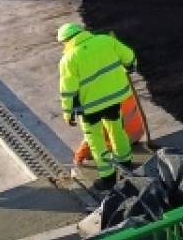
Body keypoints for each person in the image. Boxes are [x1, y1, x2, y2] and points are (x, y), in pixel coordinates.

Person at [57, 22, 137, 190]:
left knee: (96, 140)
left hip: (90, 108)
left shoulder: (68, 59)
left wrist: (68, 113)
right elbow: (129, 57)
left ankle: (108, 178)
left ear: (65, 41)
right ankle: (126, 163)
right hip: (114, 99)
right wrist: (130, 66)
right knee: (116, 129)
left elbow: (67, 90)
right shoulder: (105, 41)